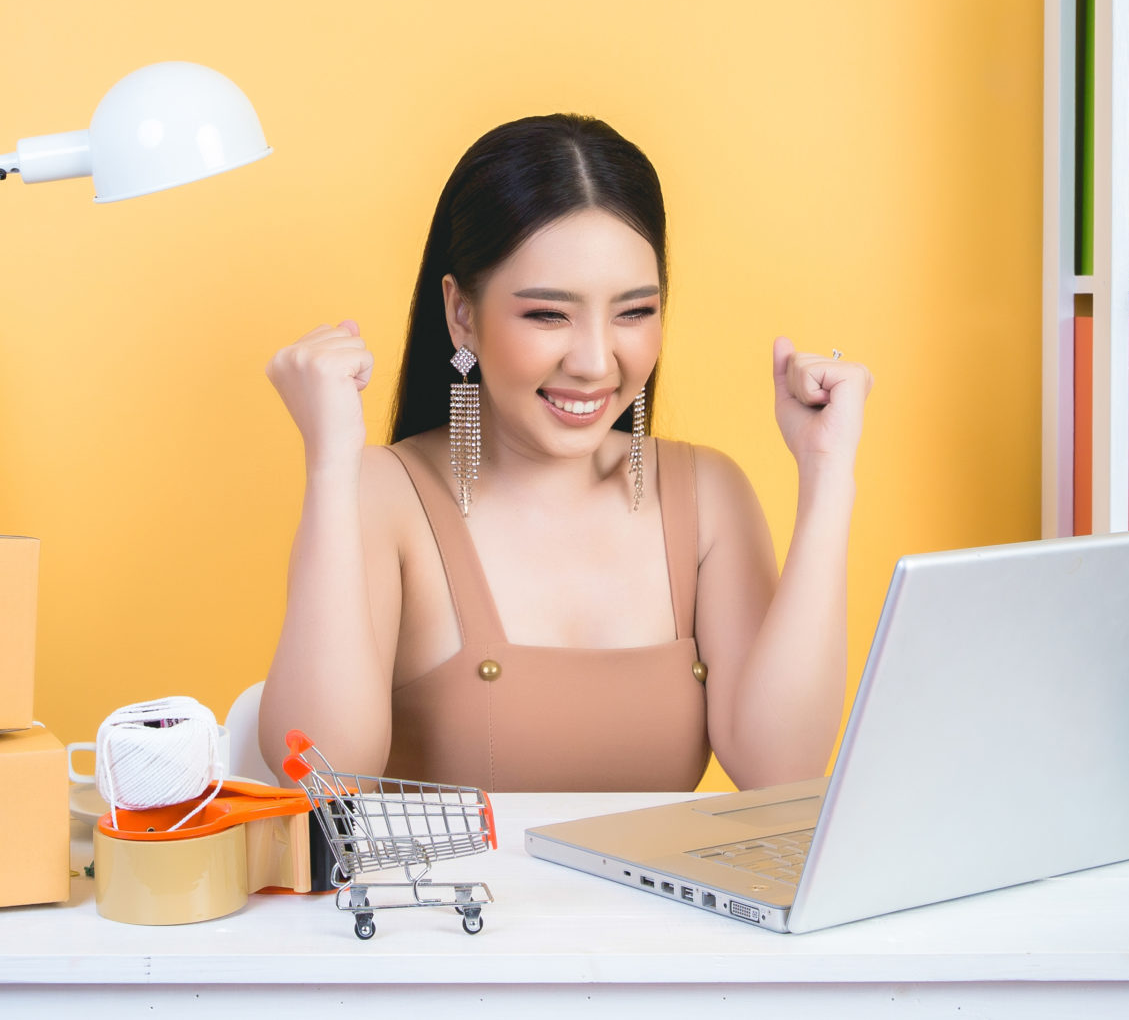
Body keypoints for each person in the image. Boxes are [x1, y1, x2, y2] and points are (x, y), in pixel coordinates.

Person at [259, 114, 872, 792]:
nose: (594, 359)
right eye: (549, 314)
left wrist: (828, 474)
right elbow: (315, 781)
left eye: (634, 312)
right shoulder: (383, 493)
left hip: (649, 904)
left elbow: (781, 770)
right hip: (457, 903)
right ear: (461, 311)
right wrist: (329, 463)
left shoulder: (708, 494)